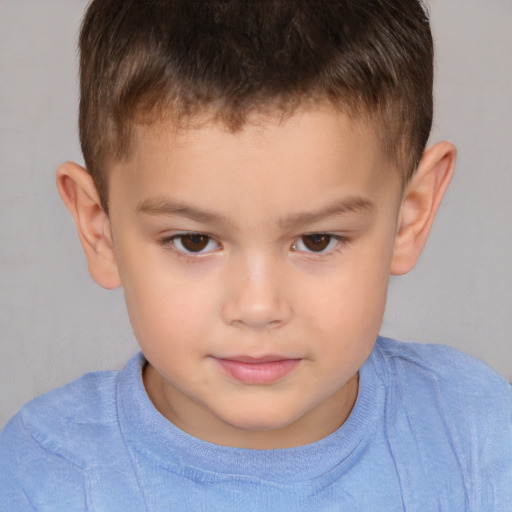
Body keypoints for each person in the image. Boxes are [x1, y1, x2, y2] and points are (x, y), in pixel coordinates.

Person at [1, 0, 510, 510]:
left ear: (409, 216)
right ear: (100, 228)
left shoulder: (478, 438)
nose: (258, 307)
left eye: (317, 240)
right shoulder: (42, 477)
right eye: (194, 241)